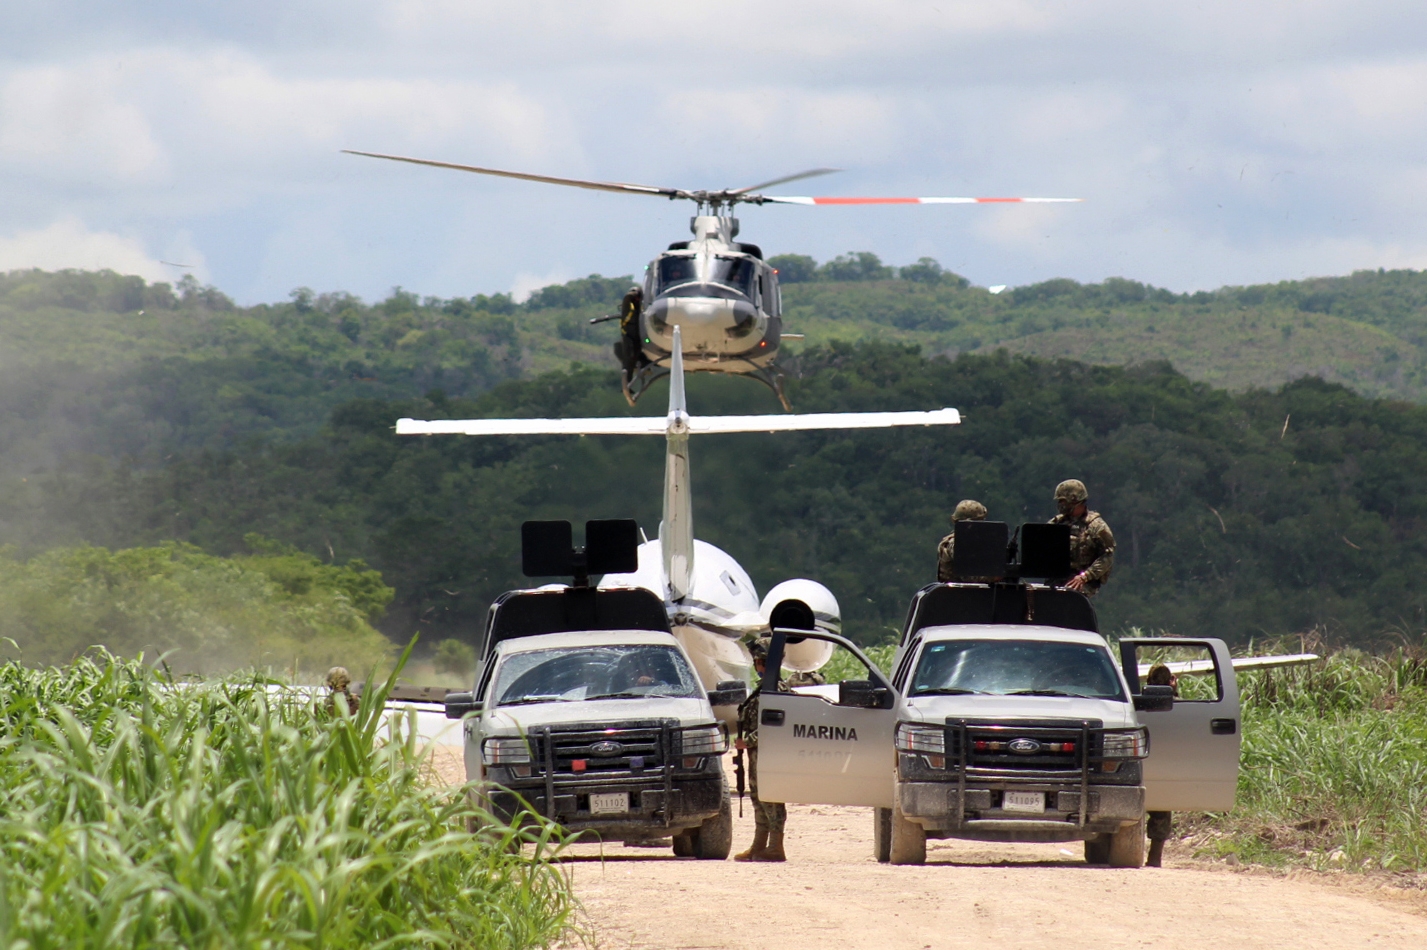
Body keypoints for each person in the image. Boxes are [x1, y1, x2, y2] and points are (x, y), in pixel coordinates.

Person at [734, 637, 788, 862]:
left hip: (770, 754)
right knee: (758, 798)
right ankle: (759, 845)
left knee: (772, 797)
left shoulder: (777, 690)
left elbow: (777, 724)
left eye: (758, 661)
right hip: (758, 754)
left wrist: (749, 741)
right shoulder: (764, 689)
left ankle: (776, 846)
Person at [1049, 479, 1115, 594]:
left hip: (1082, 583)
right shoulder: (1056, 523)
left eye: (1064, 502)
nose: (1061, 506)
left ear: (1076, 501)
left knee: (1071, 602)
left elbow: (1107, 556)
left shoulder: (1096, 526)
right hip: (1056, 580)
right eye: (1060, 502)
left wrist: (1085, 576)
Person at [1144, 663, 1179, 867]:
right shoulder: (1174, 706)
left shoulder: (1137, 702)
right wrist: (1174, 693)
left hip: (1143, 761)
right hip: (1164, 764)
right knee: (1161, 812)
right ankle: (1154, 857)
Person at [937, 499, 988, 582]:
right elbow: (968, 576)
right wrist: (995, 576)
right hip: (958, 593)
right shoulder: (955, 543)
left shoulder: (975, 542)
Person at [615, 285, 646, 381]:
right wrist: (635, 293)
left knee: (634, 354)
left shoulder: (643, 307)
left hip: (639, 337)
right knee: (627, 356)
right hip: (630, 336)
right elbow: (628, 296)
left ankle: (643, 364)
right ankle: (627, 381)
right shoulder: (628, 303)